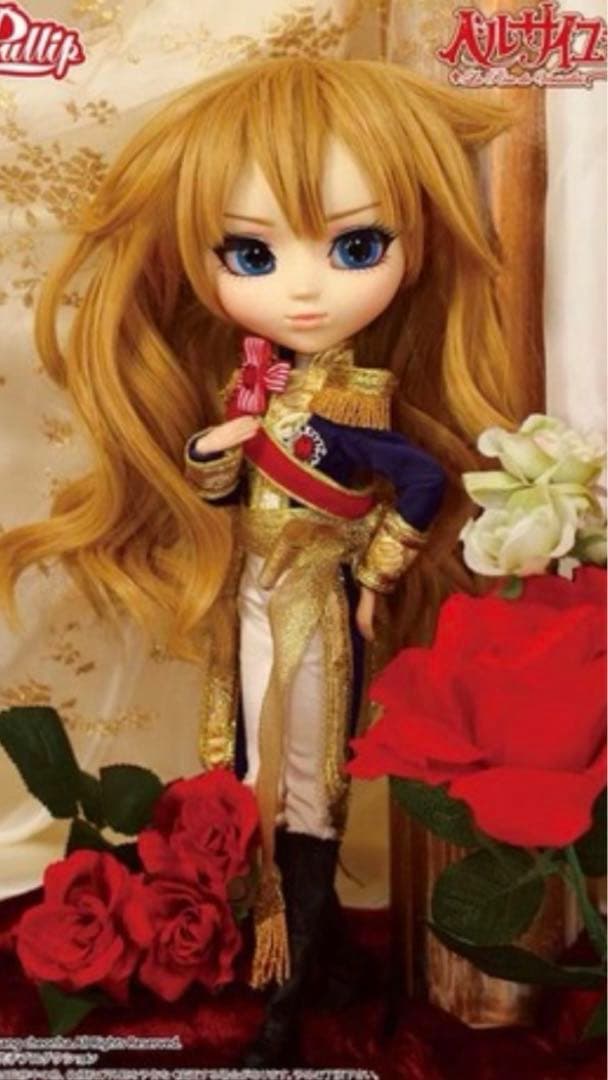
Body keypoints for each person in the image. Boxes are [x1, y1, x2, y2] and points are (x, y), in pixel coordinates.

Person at [0, 57, 519, 1064]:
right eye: (250, 253)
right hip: (251, 601)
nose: (305, 287)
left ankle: (294, 979)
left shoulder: (357, 405)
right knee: (241, 763)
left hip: (318, 607)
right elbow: (235, 497)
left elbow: (418, 482)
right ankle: (283, 951)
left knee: (307, 782)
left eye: (356, 245)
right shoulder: (256, 391)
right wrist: (211, 456)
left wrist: (375, 577)